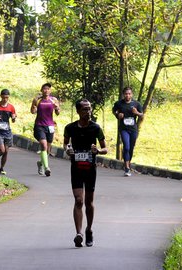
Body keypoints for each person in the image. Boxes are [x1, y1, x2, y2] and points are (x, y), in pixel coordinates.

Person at [64, 99, 108, 247]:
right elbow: (65, 143)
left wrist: (98, 151)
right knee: (78, 200)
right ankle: (79, 233)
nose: (88, 112)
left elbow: (105, 148)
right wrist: (67, 149)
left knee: (89, 202)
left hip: (90, 169)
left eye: (89, 109)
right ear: (78, 111)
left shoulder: (96, 128)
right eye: (84, 109)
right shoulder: (70, 128)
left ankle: (89, 230)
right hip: (76, 168)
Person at [112, 86, 143, 176]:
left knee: (131, 148)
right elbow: (114, 111)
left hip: (133, 129)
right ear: (123, 95)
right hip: (124, 129)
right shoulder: (119, 103)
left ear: (132, 94)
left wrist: (136, 113)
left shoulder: (136, 104)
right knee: (126, 147)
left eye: (129, 94)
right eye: (126, 94)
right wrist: (118, 115)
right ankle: (127, 168)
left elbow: (142, 115)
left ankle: (128, 163)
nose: (127, 95)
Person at [31, 82, 60, 177]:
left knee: (47, 150)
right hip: (39, 126)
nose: (46, 90)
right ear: (41, 90)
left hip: (50, 126)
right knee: (43, 145)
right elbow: (32, 111)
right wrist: (34, 108)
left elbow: (58, 113)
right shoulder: (37, 100)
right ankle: (47, 168)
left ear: (50, 91)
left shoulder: (53, 100)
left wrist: (57, 108)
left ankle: (40, 163)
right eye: (44, 88)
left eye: (48, 89)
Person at [0, 88, 17, 175]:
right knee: (2, 150)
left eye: (7, 98)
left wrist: (13, 118)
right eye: (4, 97)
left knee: (6, 151)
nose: (5, 99)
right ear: (1, 96)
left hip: (7, 131)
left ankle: (1, 168)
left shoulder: (11, 107)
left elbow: (13, 119)